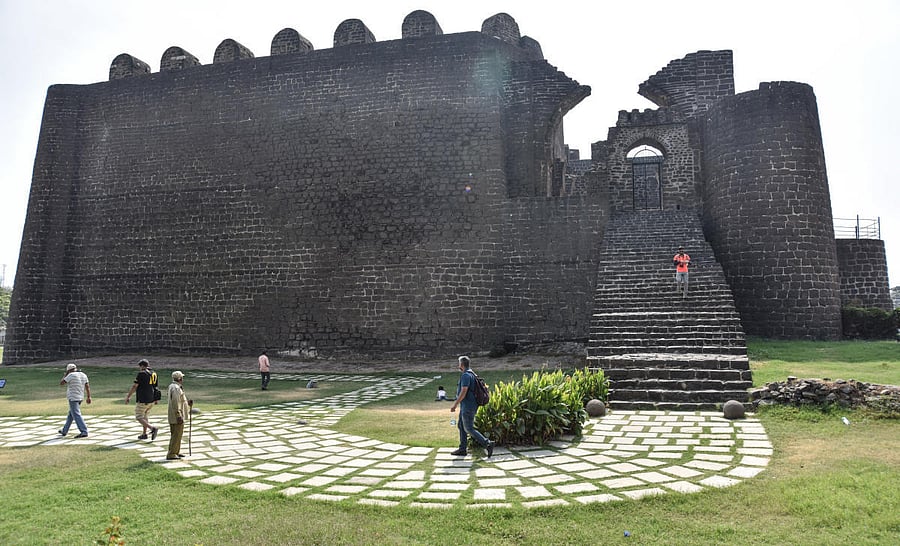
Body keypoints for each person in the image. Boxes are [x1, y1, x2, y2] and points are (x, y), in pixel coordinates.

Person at [449, 356, 494, 458]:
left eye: (459, 363)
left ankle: (488, 443)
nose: (458, 365)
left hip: (468, 407)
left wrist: (455, 404)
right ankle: (462, 449)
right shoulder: (472, 374)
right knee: (461, 425)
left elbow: (464, 391)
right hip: (466, 405)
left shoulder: (466, 375)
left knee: (468, 428)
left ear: (461, 364)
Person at [125, 359, 160, 441]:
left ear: (141, 366)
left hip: (143, 398)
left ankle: (152, 428)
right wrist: (156, 399)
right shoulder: (154, 373)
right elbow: (155, 386)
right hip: (151, 398)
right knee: (145, 416)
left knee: (139, 416)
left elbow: (135, 386)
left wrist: (128, 396)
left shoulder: (142, 373)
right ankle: (144, 434)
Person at [58, 363, 91, 438]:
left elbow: (62, 383)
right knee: (71, 414)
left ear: (69, 370)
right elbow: (87, 386)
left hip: (73, 397)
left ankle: (84, 431)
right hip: (80, 397)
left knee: (76, 414)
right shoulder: (83, 374)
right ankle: (64, 430)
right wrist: (89, 397)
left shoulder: (71, 375)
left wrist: (65, 375)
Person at [166, 371, 193, 460]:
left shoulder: (173, 386)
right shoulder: (176, 388)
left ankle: (176, 451)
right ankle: (172, 453)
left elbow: (179, 400)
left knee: (177, 434)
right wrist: (178, 415)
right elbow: (176, 402)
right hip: (176, 415)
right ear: (180, 379)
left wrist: (187, 403)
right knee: (176, 435)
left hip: (175, 414)